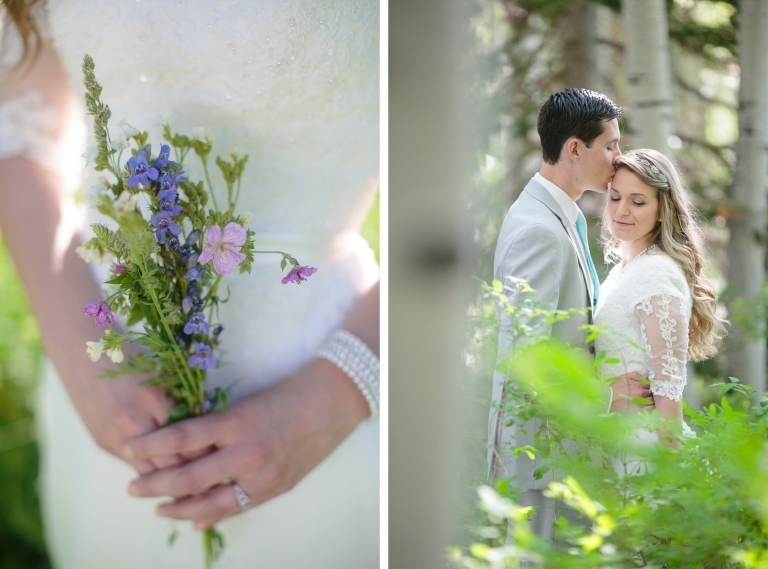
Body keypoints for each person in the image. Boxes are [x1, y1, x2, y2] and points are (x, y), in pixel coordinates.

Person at [0, 1, 379, 567]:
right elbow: (19, 131)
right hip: (113, 390)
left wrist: (350, 381)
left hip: (323, 397)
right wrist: (84, 360)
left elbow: (454, 202)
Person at [488, 88, 651, 538]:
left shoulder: (561, 219)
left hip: (562, 457)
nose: (619, 159)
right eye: (611, 145)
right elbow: (527, 357)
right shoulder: (538, 230)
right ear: (575, 149)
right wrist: (610, 399)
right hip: (538, 463)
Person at [594, 149, 724, 461]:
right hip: (613, 438)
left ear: (662, 209)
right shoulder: (622, 269)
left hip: (644, 449)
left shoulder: (656, 273)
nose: (622, 210)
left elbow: (667, 394)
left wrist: (670, 476)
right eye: (615, 197)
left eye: (638, 201)